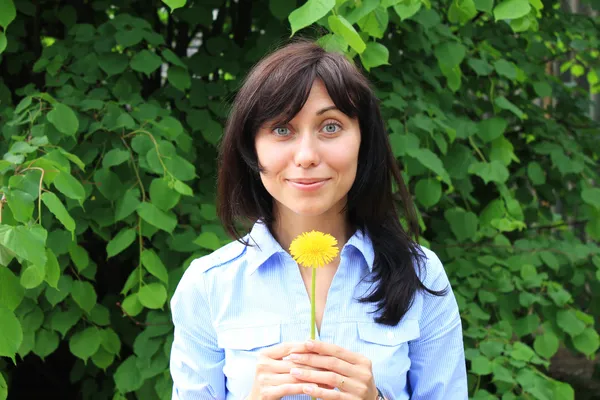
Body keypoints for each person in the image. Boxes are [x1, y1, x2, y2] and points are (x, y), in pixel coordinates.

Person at [169, 40, 468, 400]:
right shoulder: (208, 286)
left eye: (330, 127)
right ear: (252, 148)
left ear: (363, 140)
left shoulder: (422, 274)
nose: (307, 156)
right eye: (282, 129)